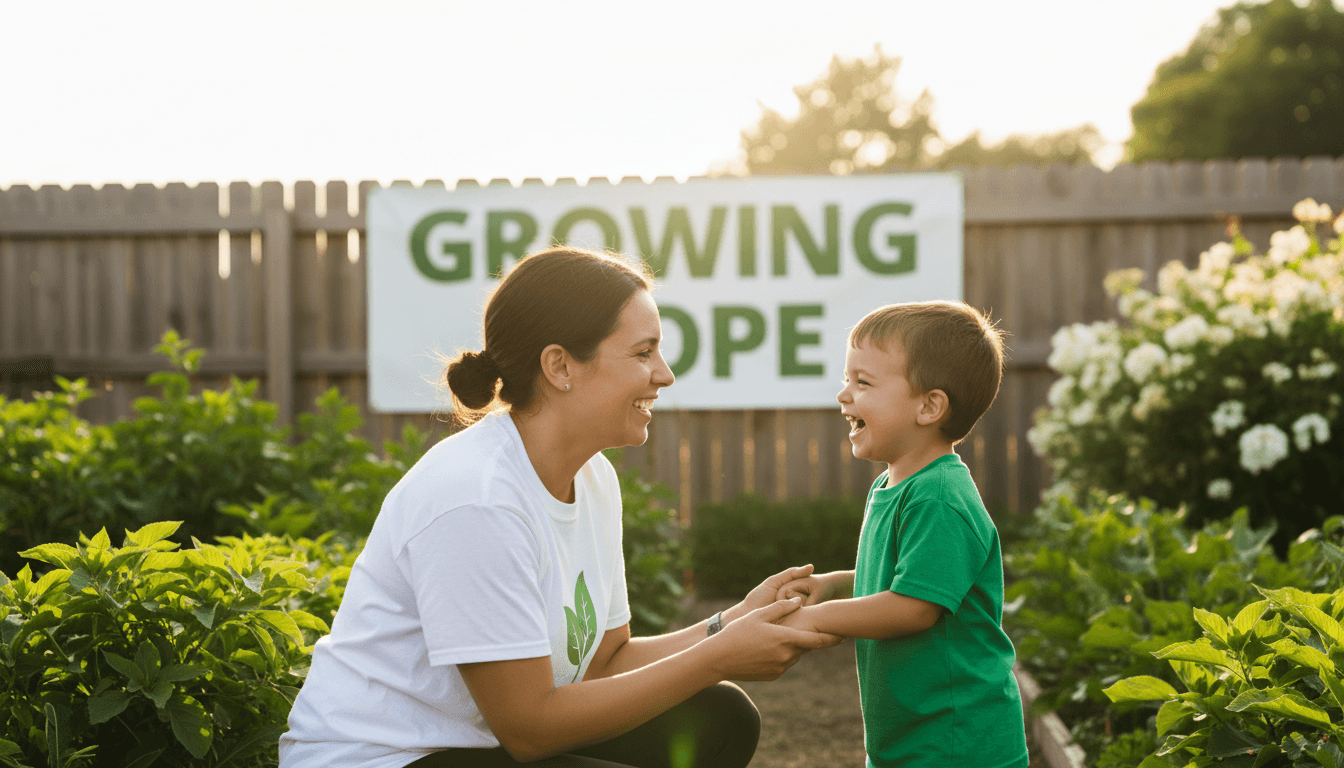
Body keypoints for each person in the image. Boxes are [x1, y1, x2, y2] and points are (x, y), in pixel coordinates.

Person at [279, 246, 840, 768]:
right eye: (643, 352)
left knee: (720, 717)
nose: (664, 374)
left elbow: (604, 664)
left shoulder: (591, 476)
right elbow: (530, 730)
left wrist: (729, 623)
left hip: (481, 748)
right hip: (387, 758)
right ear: (561, 366)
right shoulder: (476, 498)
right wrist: (717, 656)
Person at [774, 301, 1029, 768]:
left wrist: (816, 618)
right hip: (913, 737)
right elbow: (902, 577)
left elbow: (913, 608)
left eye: (863, 382)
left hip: (957, 742)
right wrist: (834, 583)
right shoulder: (897, 484)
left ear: (929, 406)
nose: (843, 395)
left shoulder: (939, 495)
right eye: (846, 379)